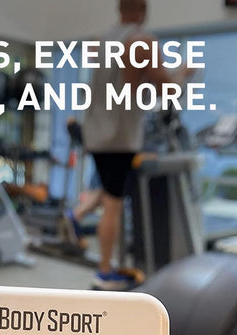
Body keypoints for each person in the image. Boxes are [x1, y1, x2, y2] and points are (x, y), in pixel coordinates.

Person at [81, 0, 194, 290]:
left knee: (109, 196)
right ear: (143, 11)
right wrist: (183, 73)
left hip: (97, 133)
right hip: (119, 137)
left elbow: (123, 84)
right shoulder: (142, 42)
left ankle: (95, 244)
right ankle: (104, 271)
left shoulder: (100, 42)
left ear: (120, 10)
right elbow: (165, 90)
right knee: (113, 205)